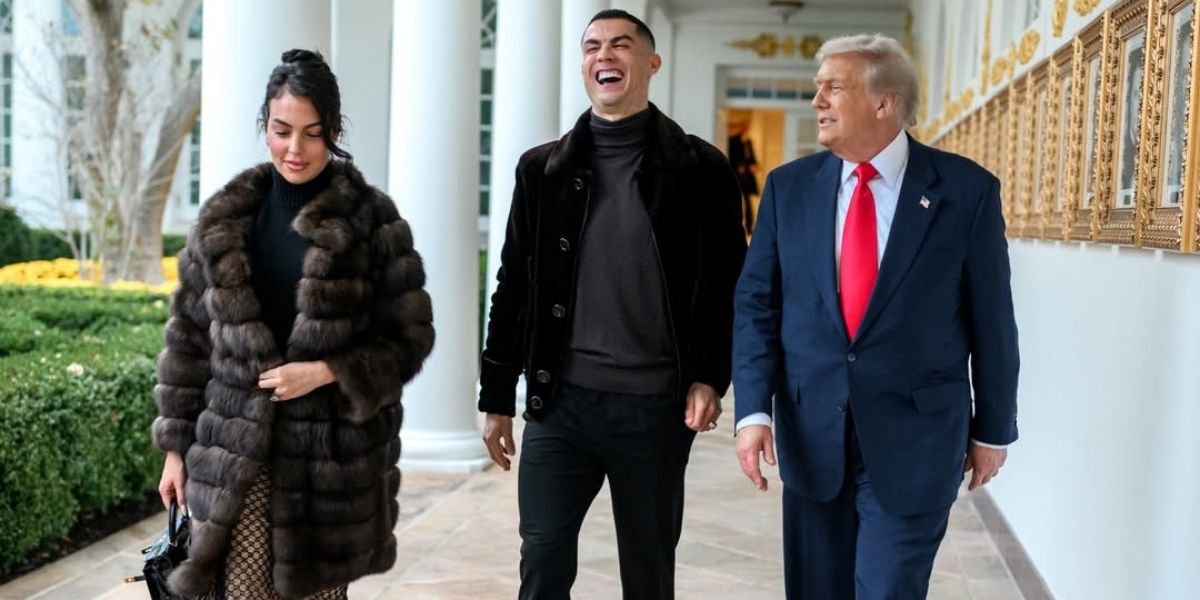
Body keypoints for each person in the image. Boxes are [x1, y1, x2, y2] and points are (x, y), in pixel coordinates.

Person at [731, 34, 1019, 599]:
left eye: (833, 88)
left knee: (889, 589)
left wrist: (993, 428)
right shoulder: (789, 189)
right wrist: (752, 412)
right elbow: (757, 306)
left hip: (918, 440)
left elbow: (992, 318)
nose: (817, 101)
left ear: (884, 102)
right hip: (812, 432)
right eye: (818, 88)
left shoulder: (966, 191)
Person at [477, 9, 746, 600]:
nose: (605, 55)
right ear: (584, 66)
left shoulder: (701, 170)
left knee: (648, 573)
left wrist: (710, 376)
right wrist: (496, 395)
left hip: (654, 410)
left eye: (621, 45)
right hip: (560, 405)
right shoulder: (541, 170)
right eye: (592, 46)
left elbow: (727, 286)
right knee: (542, 560)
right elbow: (513, 286)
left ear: (651, 63)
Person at [153, 49, 434, 599]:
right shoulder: (223, 219)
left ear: (334, 131)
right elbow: (187, 342)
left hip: (330, 464)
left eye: (312, 133)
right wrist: (175, 449)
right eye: (282, 131)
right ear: (265, 126)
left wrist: (328, 370)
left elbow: (410, 337)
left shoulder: (372, 221)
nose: (295, 149)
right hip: (237, 448)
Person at [727, 119, 760, 236]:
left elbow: (752, 158)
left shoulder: (748, 142)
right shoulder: (732, 141)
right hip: (736, 176)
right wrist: (739, 166)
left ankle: (749, 227)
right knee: (735, 200)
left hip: (746, 177)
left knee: (747, 202)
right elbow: (732, 157)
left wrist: (754, 165)